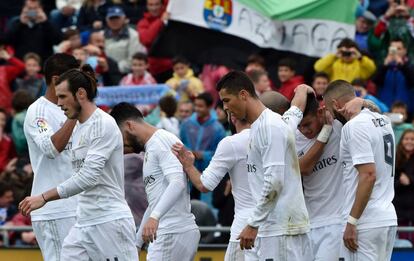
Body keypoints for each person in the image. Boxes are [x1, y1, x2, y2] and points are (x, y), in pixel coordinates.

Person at [20, 65, 138, 260]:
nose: (58, 103)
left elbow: (88, 177)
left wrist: (43, 197)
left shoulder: (102, 123)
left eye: (63, 97)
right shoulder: (79, 127)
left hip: (109, 220)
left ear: (80, 94)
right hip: (83, 221)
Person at [216, 71, 311, 260]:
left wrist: (253, 224)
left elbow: (274, 181)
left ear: (243, 95)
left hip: (281, 229)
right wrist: (303, 90)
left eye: (227, 100)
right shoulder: (270, 124)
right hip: (276, 228)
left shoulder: (269, 127)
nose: (225, 108)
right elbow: (294, 112)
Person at [109, 102, 200, 260]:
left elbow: (178, 182)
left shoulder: (162, 140)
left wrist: (155, 218)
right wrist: (137, 243)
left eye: (120, 137)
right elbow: (155, 202)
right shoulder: (151, 147)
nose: (121, 147)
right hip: (168, 231)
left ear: (129, 125)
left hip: (172, 231)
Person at [323, 80, 397, 261]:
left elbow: (368, 175)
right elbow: (376, 111)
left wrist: (352, 221)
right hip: (386, 217)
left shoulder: (354, 127)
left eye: (327, 108)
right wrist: (363, 102)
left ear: (335, 104)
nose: (328, 114)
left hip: (365, 221)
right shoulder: (384, 120)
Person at [173, 115, 257, 261]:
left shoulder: (231, 143)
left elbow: (204, 184)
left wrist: (188, 165)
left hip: (245, 228)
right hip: (275, 225)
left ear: (232, 117)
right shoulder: (275, 137)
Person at [22, 53, 79, 261]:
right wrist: (75, 115)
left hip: (79, 206)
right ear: (56, 80)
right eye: (74, 79)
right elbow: (51, 148)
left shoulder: (74, 109)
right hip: (54, 211)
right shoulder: (38, 111)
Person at [180, 92, 226, 201]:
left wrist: (203, 155)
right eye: (195, 105)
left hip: (207, 173)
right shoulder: (186, 124)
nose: (197, 109)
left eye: (200, 106)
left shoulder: (217, 128)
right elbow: (181, 143)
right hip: (187, 173)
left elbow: (220, 153)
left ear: (209, 107)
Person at [104, 6, 146, 74]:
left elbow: (133, 59)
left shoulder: (133, 35)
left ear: (124, 19)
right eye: (112, 19)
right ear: (107, 20)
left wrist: (115, 68)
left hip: (124, 73)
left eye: (117, 18)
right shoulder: (101, 35)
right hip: (104, 71)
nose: (114, 21)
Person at [394, 129, 414, 243]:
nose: (409, 142)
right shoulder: (395, 159)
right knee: (403, 244)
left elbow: (408, 180)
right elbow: (390, 182)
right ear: (402, 141)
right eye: (407, 139)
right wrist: (400, 182)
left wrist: (409, 180)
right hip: (399, 210)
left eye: (412, 139)